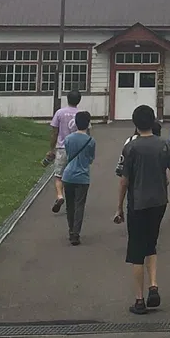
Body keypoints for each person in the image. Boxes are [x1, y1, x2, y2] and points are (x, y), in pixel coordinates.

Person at [113, 104, 170, 315]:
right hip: (159, 202)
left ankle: (139, 300)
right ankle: (153, 285)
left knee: (136, 251)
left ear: (135, 123)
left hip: (137, 203)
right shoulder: (164, 145)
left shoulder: (131, 147)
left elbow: (124, 181)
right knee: (151, 244)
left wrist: (119, 207)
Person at [59, 110, 96, 245]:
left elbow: (68, 155)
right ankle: (76, 233)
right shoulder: (91, 141)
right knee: (79, 205)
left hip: (68, 175)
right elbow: (91, 159)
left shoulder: (68, 139)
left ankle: (70, 230)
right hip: (83, 176)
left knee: (70, 205)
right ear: (88, 124)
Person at [47, 91, 83, 213]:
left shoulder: (60, 113)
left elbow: (54, 132)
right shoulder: (81, 114)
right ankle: (73, 199)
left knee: (59, 175)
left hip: (62, 148)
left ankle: (60, 196)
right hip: (77, 149)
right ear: (79, 100)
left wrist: (51, 148)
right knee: (74, 175)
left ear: (67, 99)